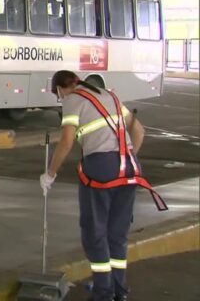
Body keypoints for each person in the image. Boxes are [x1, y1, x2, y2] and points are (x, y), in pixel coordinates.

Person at [40, 70, 167, 301]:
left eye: (58, 95)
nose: (60, 99)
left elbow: (67, 141)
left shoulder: (71, 101)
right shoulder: (110, 95)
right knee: (117, 234)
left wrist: (50, 173)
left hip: (100, 168)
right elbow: (139, 130)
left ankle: (103, 292)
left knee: (94, 233)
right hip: (129, 167)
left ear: (60, 89)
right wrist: (125, 159)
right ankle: (119, 291)